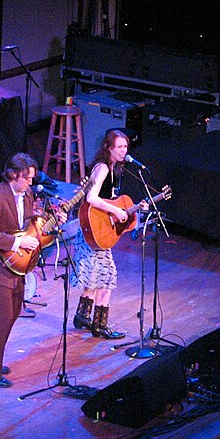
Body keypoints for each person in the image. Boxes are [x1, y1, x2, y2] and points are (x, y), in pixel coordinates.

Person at [0, 153, 40, 388]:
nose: (30, 183)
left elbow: (28, 223)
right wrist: (17, 243)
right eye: (27, 178)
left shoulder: (27, 194)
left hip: (17, 267)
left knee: (11, 316)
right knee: (0, 319)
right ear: (13, 175)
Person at [70, 129, 142, 339]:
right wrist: (115, 210)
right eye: (119, 147)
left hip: (96, 229)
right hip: (93, 228)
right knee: (107, 278)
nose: (123, 151)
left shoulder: (111, 170)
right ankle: (100, 326)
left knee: (95, 277)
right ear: (108, 148)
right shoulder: (102, 169)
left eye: (125, 147)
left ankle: (82, 316)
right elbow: (91, 197)